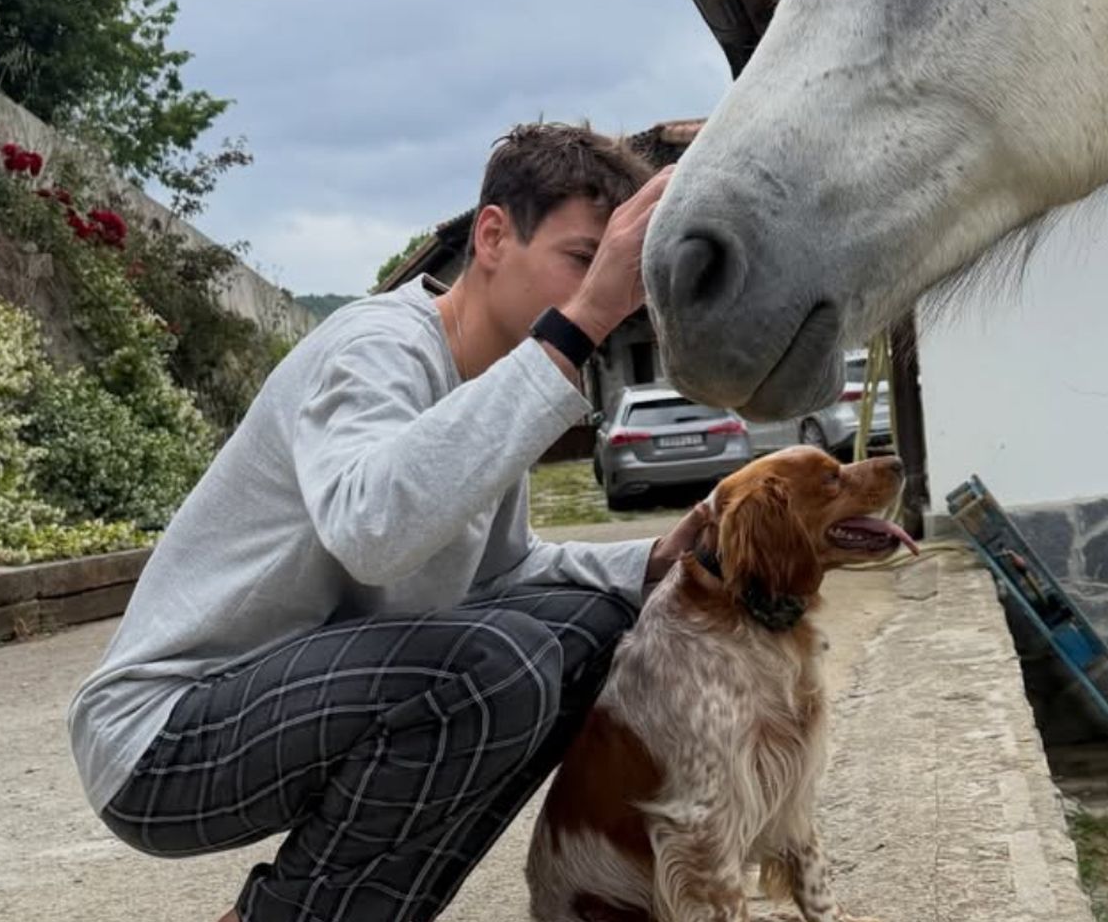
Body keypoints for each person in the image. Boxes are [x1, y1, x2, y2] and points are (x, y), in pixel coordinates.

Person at [66, 123, 705, 922]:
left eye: (611, 270)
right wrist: (582, 320)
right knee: (489, 668)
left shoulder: (491, 380)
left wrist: (647, 561)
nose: (604, 288)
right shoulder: (376, 346)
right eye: (581, 258)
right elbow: (372, 532)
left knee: (594, 627)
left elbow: (499, 572)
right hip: (165, 739)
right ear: (494, 235)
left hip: (291, 703)